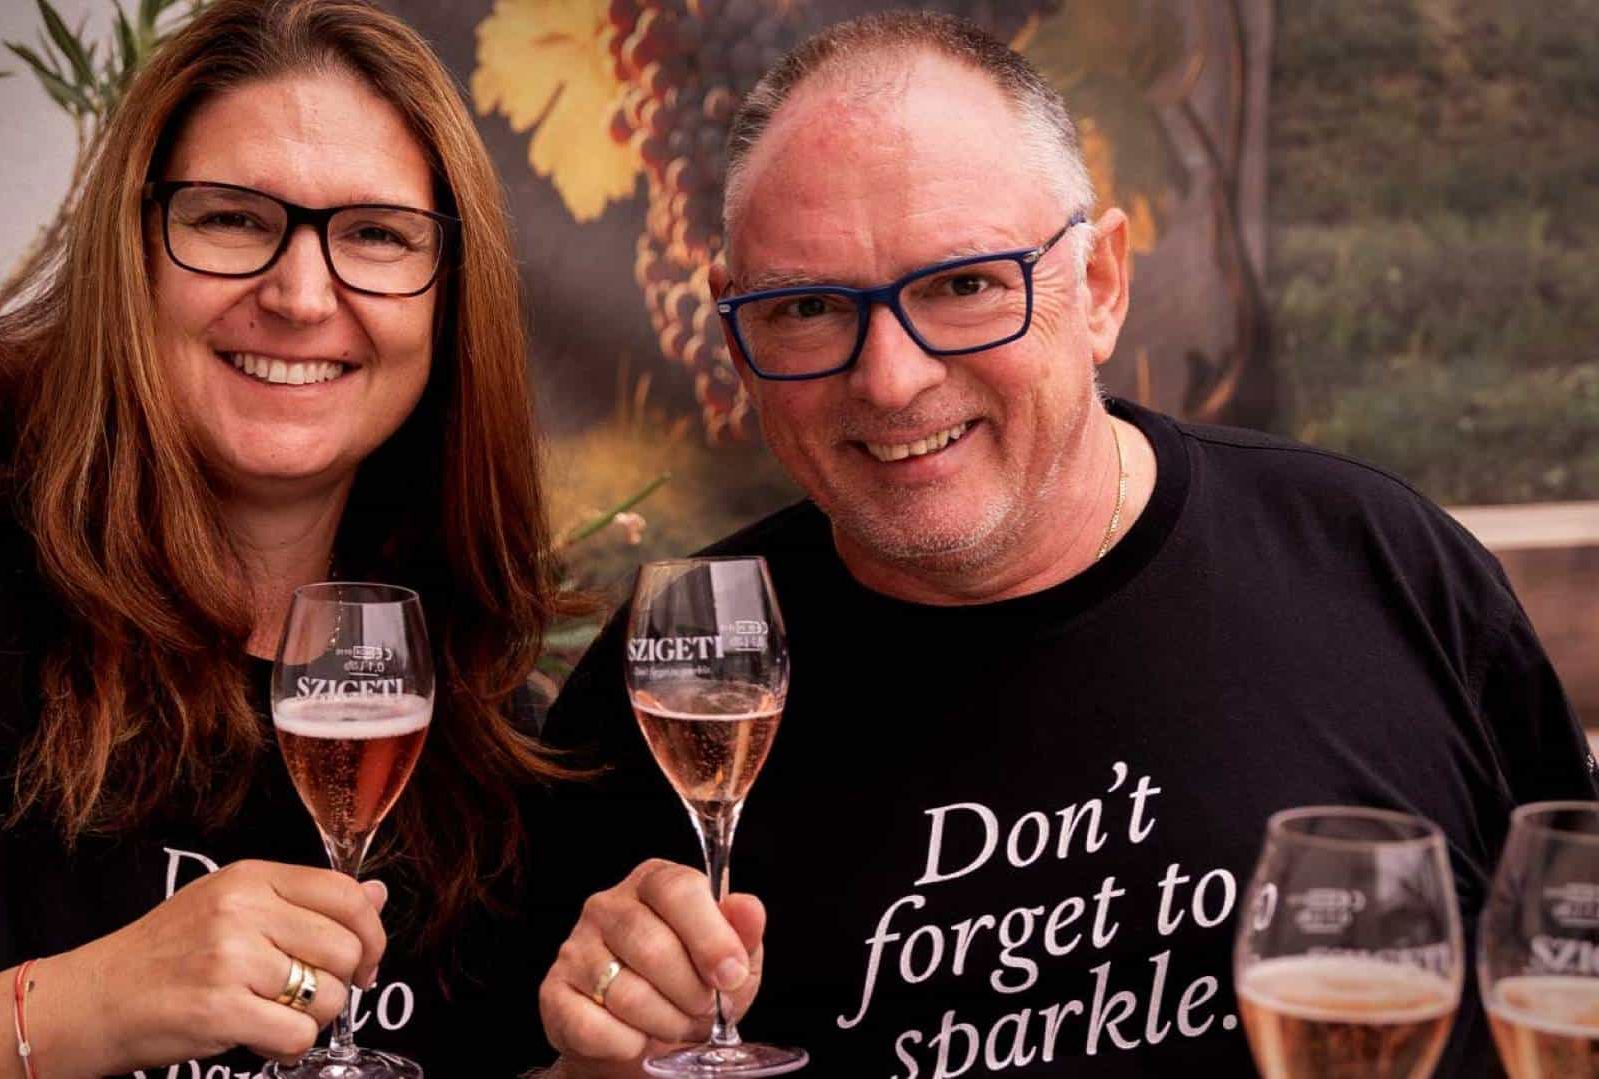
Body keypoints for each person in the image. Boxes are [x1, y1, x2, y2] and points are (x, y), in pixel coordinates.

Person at [525, 11, 1596, 1077]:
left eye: (965, 285)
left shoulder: (1378, 563)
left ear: (1099, 287)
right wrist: (591, 1066)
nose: (890, 378)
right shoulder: (676, 676)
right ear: (736, 334)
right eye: (808, 306)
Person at [0, 1, 574, 1075]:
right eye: (231, 218)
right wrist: (78, 1008)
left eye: (377, 235)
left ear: (451, 296)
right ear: (131, 252)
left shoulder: (481, 716)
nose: (300, 295)